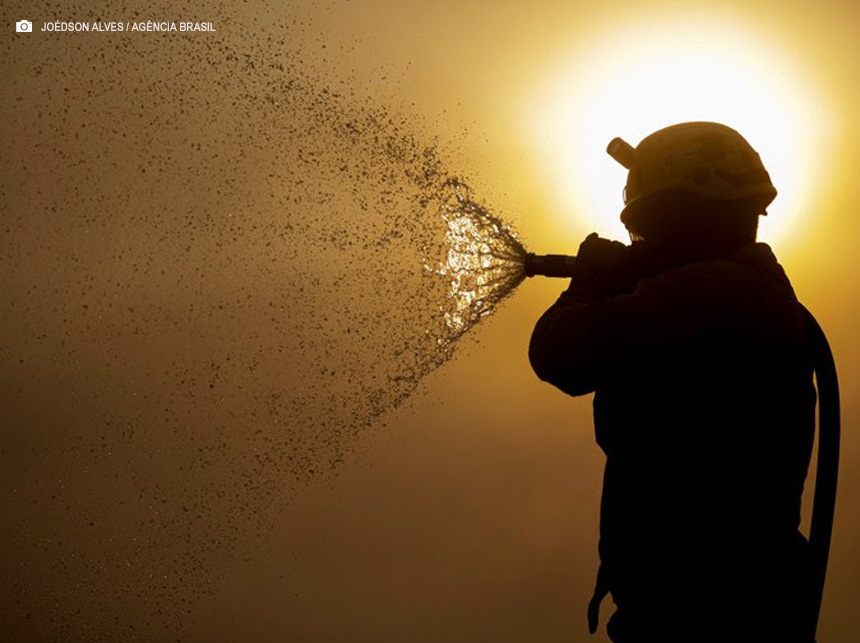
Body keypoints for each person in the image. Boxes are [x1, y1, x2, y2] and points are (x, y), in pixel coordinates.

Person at [529, 122, 818, 642]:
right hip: (732, 599)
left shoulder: (713, 292)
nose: (643, 243)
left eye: (651, 228)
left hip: (704, 612)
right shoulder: (747, 287)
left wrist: (589, 283)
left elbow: (559, 353)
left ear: (682, 218)